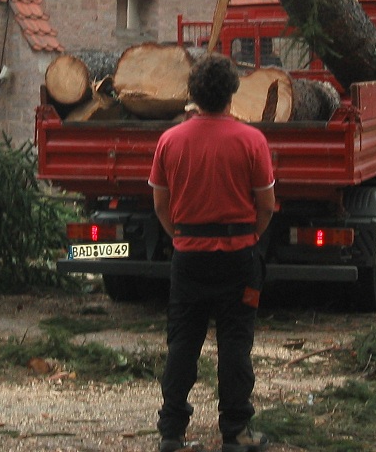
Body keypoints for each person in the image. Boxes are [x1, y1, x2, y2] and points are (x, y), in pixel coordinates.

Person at [150, 53, 276, 452]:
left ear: (193, 94)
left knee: (183, 344)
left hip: (188, 257)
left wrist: (181, 235)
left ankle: (171, 433)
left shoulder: (170, 140)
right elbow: (268, 205)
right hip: (239, 258)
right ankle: (236, 432)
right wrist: (248, 236)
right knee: (236, 345)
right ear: (232, 92)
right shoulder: (252, 140)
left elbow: (159, 204)